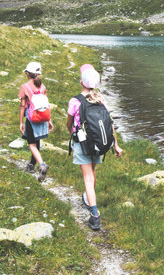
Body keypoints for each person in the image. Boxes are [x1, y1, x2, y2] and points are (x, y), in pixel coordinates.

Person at [66, 64, 123, 230]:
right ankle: (89, 198)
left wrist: (72, 132)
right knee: (92, 173)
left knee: (88, 178)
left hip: (82, 143)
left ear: (81, 82)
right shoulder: (100, 100)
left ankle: (95, 215)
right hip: (99, 143)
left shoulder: (75, 101)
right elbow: (109, 124)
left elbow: (69, 122)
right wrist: (116, 145)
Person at [19, 61, 54, 182]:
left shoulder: (25, 87)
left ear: (28, 73)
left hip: (32, 118)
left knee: (32, 144)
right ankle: (31, 165)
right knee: (37, 140)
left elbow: (23, 106)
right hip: (43, 117)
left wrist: (21, 122)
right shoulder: (42, 86)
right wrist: (49, 120)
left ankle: (42, 165)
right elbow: (47, 104)